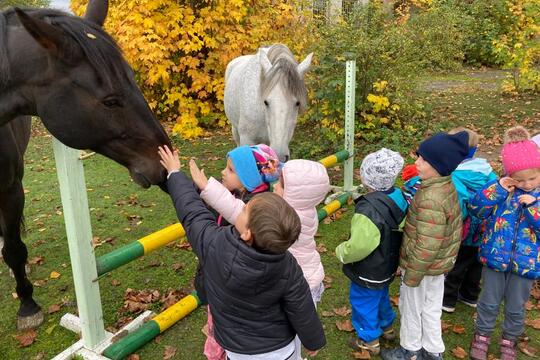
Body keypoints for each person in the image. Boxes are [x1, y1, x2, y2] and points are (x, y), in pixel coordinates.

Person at [158, 145, 326, 359]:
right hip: (281, 351)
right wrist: (313, 341)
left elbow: (192, 213)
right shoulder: (289, 264)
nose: (240, 207)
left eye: (245, 210)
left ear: (247, 233)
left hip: (237, 351)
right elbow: (301, 307)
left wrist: (174, 174)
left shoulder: (214, 245)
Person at [381, 131, 469, 360]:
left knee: (411, 307)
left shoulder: (431, 198)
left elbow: (427, 244)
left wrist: (411, 275)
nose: (416, 162)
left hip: (421, 267)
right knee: (431, 308)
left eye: (423, 159)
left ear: (439, 165)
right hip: (437, 267)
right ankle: (432, 350)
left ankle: (409, 349)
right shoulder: (442, 185)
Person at [194, 144, 280, 360]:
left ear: (249, 178)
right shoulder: (241, 195)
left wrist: (207, 187)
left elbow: (234, 211)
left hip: (228, 286)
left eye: (231, 170)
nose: (223, 172)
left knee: (220, 326)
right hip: (228, 281)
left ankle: (217, 354)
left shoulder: (255, 208)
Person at [469, 126, 540, 360]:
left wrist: (532, 208)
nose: (527, 184)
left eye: (533, 177)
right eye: (521, 179)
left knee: (516, 306)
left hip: (525, 265)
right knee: (489, 301)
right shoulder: (504, 192)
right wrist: (498, 189)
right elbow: (476, 208)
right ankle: (482, 335)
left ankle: (509, 339)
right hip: (494, 259)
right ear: (510, 175)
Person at [335, 148, 407, 356]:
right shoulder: (398, 195)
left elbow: (360, 246)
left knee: (363, 300)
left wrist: (342, 251)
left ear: (368, 179)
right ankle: (387, 327)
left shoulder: (369, 210)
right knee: (381, 295)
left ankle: (369, 339)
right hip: (388, 262)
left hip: (370, 268)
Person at [442, 127, 497, 312]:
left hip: (464, 228)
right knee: (476, 263)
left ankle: (448, 299)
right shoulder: (488, 172)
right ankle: (470, 294)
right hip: (484, 226)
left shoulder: (455, 175)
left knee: (457, 262)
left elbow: (458, 203)